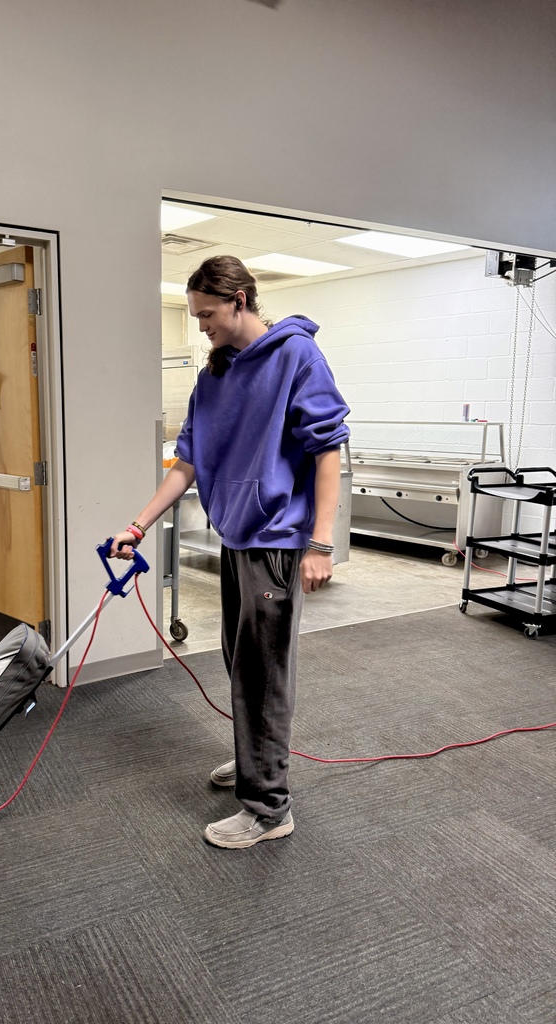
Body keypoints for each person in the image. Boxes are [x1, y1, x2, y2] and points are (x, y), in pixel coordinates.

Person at [110, 255, 350, 849]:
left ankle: (269, 806)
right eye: (196, 317)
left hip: (276, 541)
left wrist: (320, 543)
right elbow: (186, 463)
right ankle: (254, 759)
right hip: (236, 537)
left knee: (264, 672)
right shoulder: (214, 376)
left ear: (240, 299)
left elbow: (327, 451)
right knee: (239, 659)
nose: (201, 327)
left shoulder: (297, 356)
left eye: (208, 314)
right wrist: (137, 526)